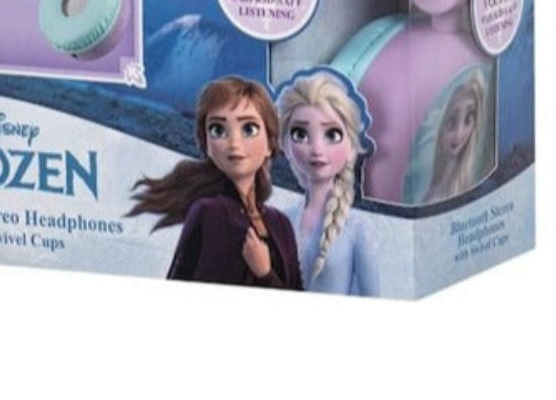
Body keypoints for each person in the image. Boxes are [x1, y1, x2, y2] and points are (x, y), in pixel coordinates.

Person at [128, 77, 302, 289]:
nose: (234, 143)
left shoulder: (280, 223)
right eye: (218, 130)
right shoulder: (210, 213)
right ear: (207, 145)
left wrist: (265, 273)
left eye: (249, 129)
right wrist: (264, 275)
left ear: (270, 144)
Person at [276, 69, 378, 295]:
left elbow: (373, 298)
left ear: (351, 147)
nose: (317, 149)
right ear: (285, 146)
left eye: (332, 135)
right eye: (300, 134)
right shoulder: (283, 220)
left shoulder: (358, 228)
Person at [424, 70, 486, 204]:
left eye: (468, 119)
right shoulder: (434, 194)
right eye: (451, 122)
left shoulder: (470, 183)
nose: (459, 134)